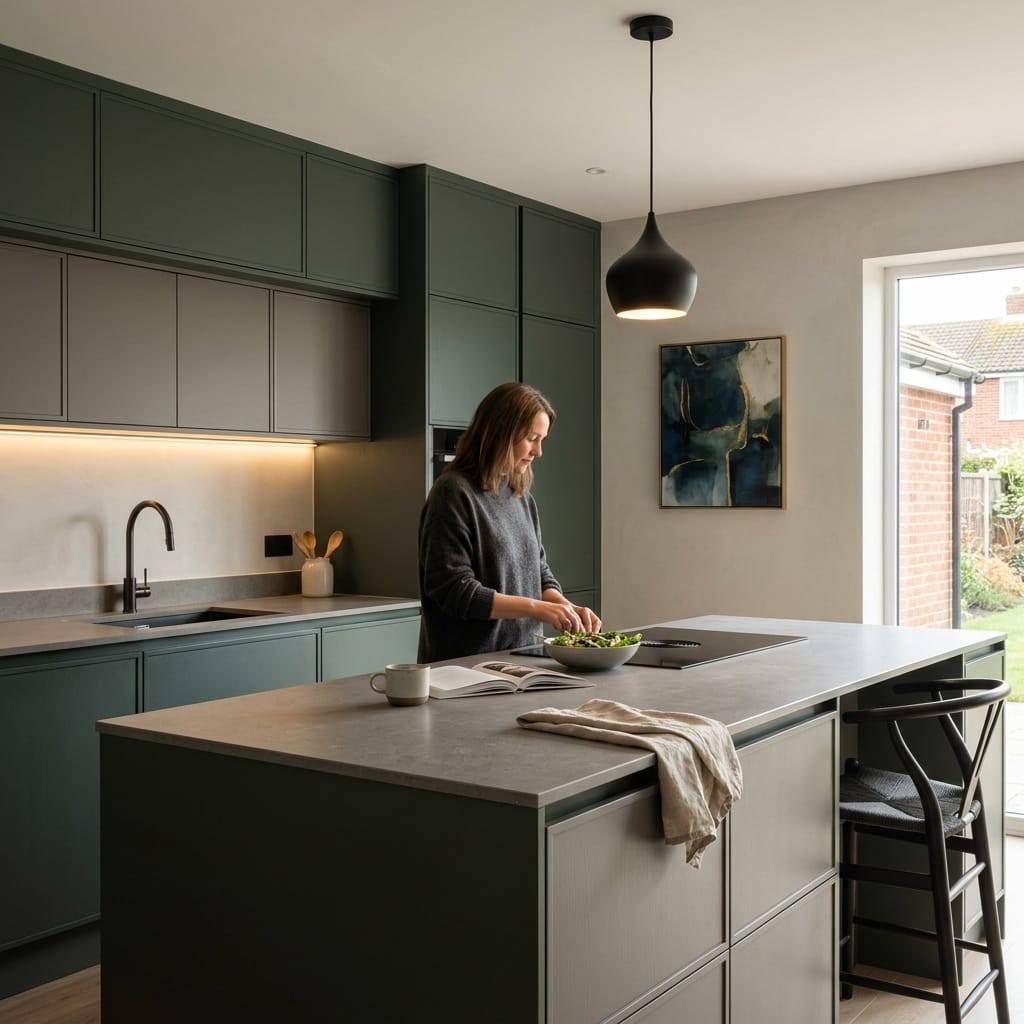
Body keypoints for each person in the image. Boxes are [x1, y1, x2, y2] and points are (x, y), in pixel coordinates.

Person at [418, 381, 601, 662]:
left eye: (542, 439)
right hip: (467, 669)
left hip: (526, 660)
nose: (538, 451)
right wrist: (537, 609)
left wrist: (564, 607)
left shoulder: (521, 496)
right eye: (531, 438)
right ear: (500, 434)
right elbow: (455, 591)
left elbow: (538, 572)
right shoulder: (452, 493)